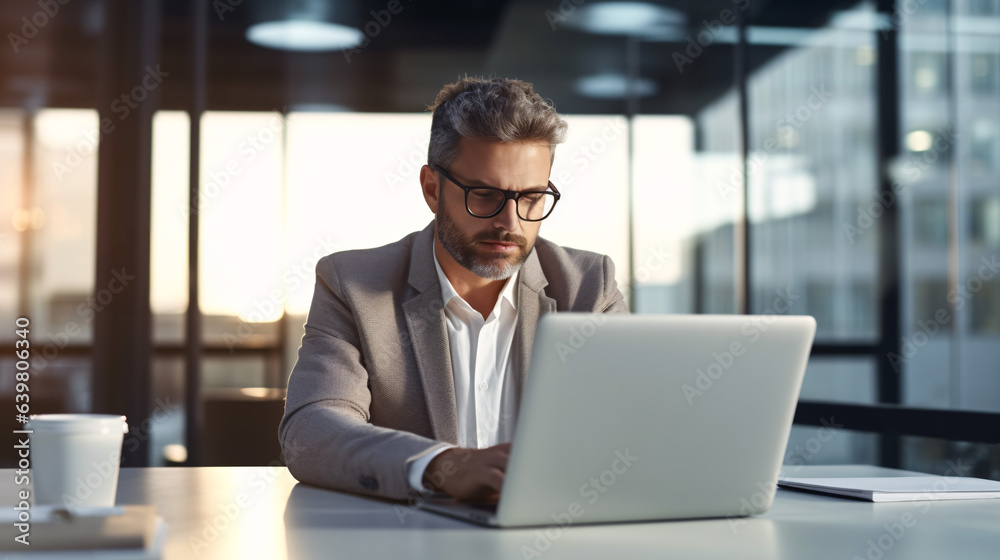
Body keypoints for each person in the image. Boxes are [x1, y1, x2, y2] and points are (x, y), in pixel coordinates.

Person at [279, 76, 628, 503]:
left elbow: (633, 430)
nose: (512, 224)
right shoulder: (354, 284)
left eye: (532, 198)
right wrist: (441, 466)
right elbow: (312, 428)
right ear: (432, 188)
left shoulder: (589, 287)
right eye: (484, 195)